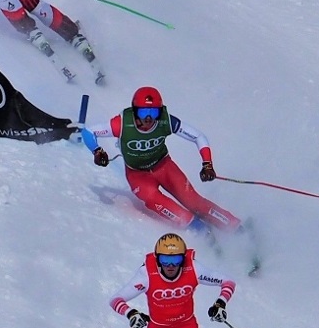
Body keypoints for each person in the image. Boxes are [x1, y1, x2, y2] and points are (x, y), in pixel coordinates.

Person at [83, 86, 240, 230]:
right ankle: (198, 229)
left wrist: (207, 164)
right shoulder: (122, 124)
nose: (149, 119)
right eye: (144, 113)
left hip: (164, 167)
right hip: (138, 175)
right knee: (153, 199)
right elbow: (88, 132)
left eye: (154, 113)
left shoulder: (166, 121)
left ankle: (234, 226)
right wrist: (97, 151)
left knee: (192, 200)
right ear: (135, 111)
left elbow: (198, 136)